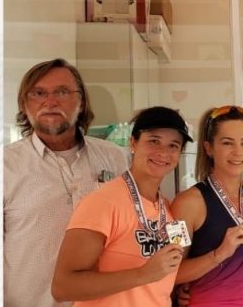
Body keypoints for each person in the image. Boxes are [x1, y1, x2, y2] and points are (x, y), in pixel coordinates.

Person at [4, 58, 128, 307]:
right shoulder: (2, 166)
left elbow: (132, 231)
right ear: (24, 104)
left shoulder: (114, 158)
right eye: (39, 93)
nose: (50, 102)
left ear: (81, 102)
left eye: (62, 92)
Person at [51, 106, 192, 305]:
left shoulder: (168, 209)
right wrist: (143, 274)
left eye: (173, 146)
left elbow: (173, 272)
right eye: (154, 141)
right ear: (133, 142)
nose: (163, 152)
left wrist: (185, 287)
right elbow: (63, 287)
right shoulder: (102, 203)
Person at [170, 105, 243, 305]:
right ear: (209, 148)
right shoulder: (187, 203)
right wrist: (218, 255)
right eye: (227, 143)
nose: (238, 152)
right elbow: (170, 273)